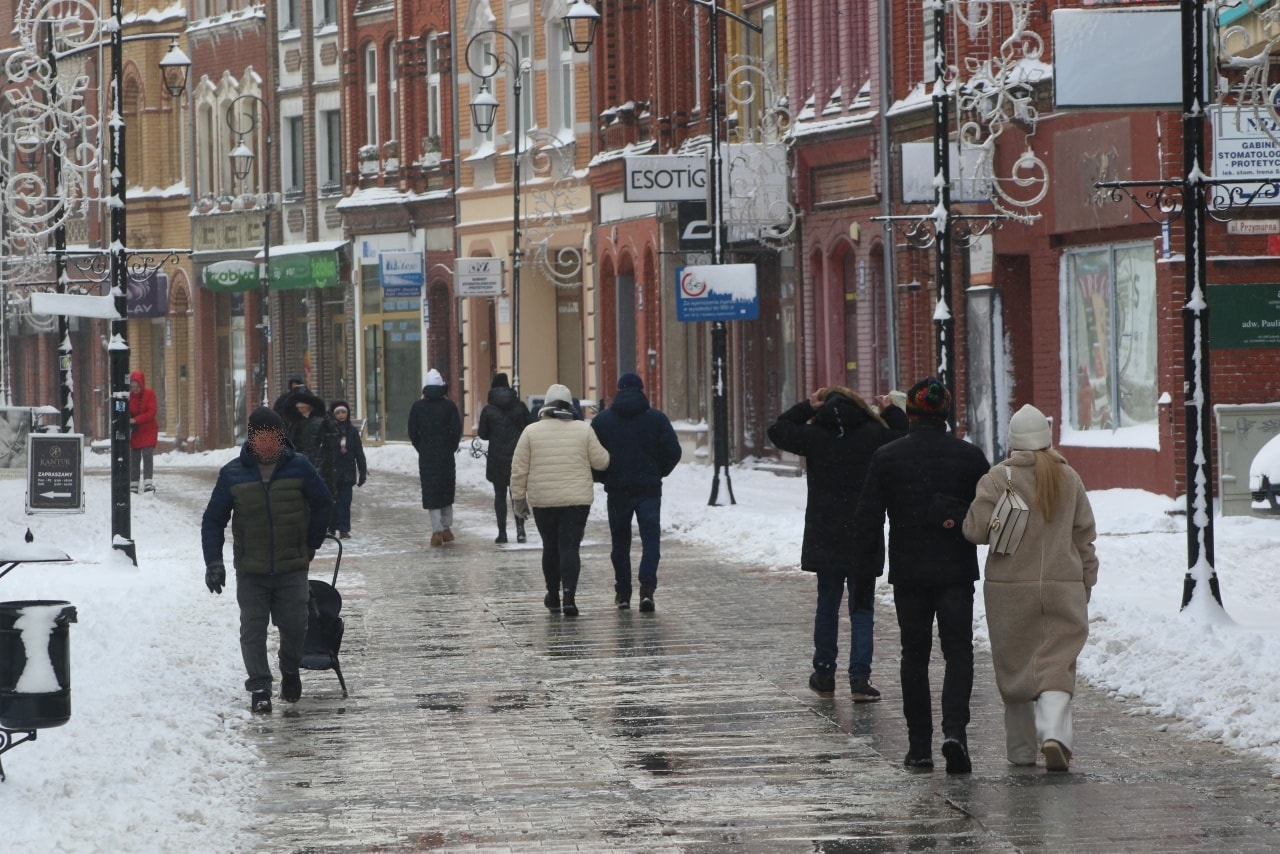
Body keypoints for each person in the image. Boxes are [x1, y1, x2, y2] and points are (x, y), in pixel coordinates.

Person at [853, 377, 990, 775]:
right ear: (945, 415)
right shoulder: (969, 457)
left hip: (909, 572)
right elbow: (991, 510)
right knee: (958, 652)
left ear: (909, 413)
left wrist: (865, 574)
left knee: (914, 657)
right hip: (955, 571)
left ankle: (919, 747)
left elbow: (867, 520)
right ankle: (955, 734)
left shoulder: (887, 456)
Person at [962, 404, 1099, 772]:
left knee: (1015, 665)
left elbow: (974, 531)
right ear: (1046, 438)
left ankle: (1021, 751)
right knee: (1056, 661)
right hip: (1063, 583)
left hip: (1009, 588)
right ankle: (1054, 734)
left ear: (1013, 441)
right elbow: (1084, 536)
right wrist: (1087, 578)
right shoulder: (1069, 478)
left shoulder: (996, 478)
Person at [767, 385, 907, 701]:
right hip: (863, 532)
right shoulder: (873, 434)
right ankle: (859, 679)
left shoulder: (815, 436)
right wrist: (891, 410)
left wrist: (807, 407)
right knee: (861, 609)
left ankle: (825, 673)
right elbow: (902, 436)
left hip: (825, 532)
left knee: (827, 606)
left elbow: (777, 430)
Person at [201, 406, 333, 713]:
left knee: (295, 624)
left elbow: (323, 502)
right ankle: (259, 686)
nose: (267, 443)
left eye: (272, 436)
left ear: (281, 438)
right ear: (251, 438)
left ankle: (290, 667)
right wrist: (213, 563)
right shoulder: (233, 473)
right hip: (252, 569)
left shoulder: (299, 467)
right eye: (260, 436)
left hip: (292, 566)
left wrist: (311, 542)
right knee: (253, 628)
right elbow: (212, 521)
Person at [510, 383, 609, 617]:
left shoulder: (531, 432)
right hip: (577, 501)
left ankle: (552, 596)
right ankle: (569, 596)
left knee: (550, 547)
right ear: (570, 406)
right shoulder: (583, 430)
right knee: (569, 547)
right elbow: (602, 462)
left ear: (545, 405)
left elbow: (519, 469)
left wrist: (518, 499)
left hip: (544, 501)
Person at [591, 372, 682, 612]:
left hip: (618, 489)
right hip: (649, 490)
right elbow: (673, 451)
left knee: (620, 542)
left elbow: (592, 456)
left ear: (619, 390)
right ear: (641, 390)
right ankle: (647, 589)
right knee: (650, 540)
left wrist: (604, 477)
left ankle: (622, 592)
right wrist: (657, 472)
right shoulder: (657, 419)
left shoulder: (602, 422)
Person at [407, 369, 462, 546]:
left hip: (428, 456)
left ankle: (436, 530)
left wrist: (422, 447)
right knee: (446, 490)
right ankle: (447, 528)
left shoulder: (418, 407)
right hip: (445, 455)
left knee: (431, 492)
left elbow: (412, 431)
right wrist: (450, 447)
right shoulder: (449, 406)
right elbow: (456, 430)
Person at [477, 372, 533, 544]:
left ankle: (502, 533)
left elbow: (483, 434)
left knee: (499, 494)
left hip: (497, 457)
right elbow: (529, 428)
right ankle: (521, 530)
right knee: (517, 493)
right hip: (517, 455)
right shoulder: (519, 406)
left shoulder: (489, 409)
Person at [328, 399, 368, 539]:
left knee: (345, 502)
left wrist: (362, 472)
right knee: (331, 502)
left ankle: (344, 529)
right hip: (332, 472)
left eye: (343, 412)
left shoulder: (352, 431)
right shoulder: (329, 430)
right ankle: (330, 528)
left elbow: (359, 453)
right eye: (338, 412)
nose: (341, 415)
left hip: (347, 472)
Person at [289, 387, 337, 494]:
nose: (299, 409)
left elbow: (330, 438)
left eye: (301, 407)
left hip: (316, 459)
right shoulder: (297, 422)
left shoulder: (321, 421)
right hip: (306, 459)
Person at [128, 371, 159, 494]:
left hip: (148, 430)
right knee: (134, 457)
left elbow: (152, 412)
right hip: (136, 432)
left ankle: (148, 483)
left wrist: (136, 419)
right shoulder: (128, 396)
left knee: (147, 454)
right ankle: (134, 483)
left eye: (137, 386)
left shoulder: (149, 394)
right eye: (132, 386)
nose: (135, 389)